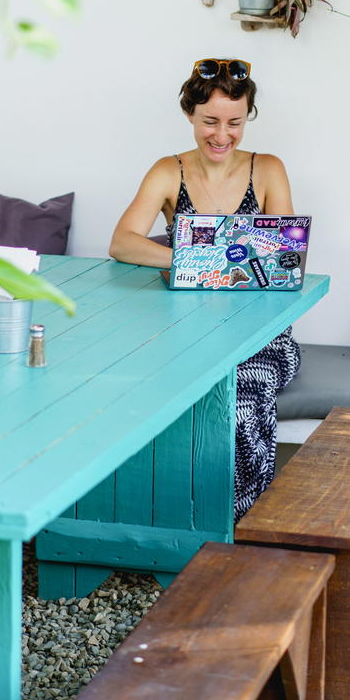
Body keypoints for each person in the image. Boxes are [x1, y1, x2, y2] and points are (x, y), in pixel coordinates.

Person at [109, 57, 301, 520]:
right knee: (140, 394)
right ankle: (169, 518)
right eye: (210, 121)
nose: (222, 135)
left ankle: (235, 522)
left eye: (235, 123)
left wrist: (205, 261)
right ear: (190, 116)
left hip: (260, 334)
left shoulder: (269, 169)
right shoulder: (167, 171)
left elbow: (286, 256)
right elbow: (121, 242)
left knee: (236, 407)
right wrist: (193, 259)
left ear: (247, 118)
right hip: (185, 329)